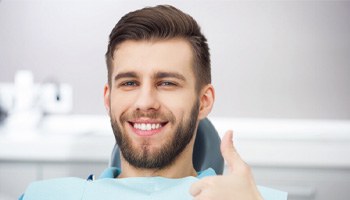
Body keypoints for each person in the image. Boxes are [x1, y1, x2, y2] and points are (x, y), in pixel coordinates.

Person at [21, 5, 287, 200]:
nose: (145, 102)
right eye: (129, 83)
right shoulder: (44, 195)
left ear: (204, 101)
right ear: (108, 98)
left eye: (167, 83)